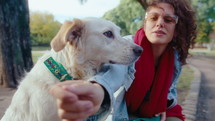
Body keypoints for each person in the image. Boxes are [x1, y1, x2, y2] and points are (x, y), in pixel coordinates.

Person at [50, 0, 197, 120]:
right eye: (153, 18)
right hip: (124, 114)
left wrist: (164, 103)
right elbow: (112, 75)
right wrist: (98, 91)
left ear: (177, 29)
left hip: (157, 112)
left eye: (168, 19)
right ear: (145, 23)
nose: (159, 23)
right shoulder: (127, 47)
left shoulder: (174, 58)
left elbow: (170, 90)